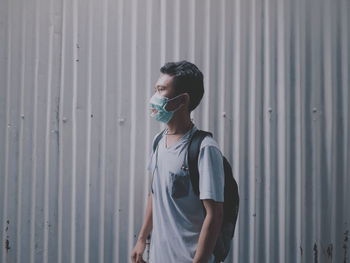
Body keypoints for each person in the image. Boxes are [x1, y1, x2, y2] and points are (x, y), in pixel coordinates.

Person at [131, 61, 225, 263]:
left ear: (182, 100)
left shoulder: (205, 148)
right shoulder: (159, 141)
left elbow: (215, 214)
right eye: (156, 89)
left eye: (161, 90)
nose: (154, 97)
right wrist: (141, 240)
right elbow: (155, 194)